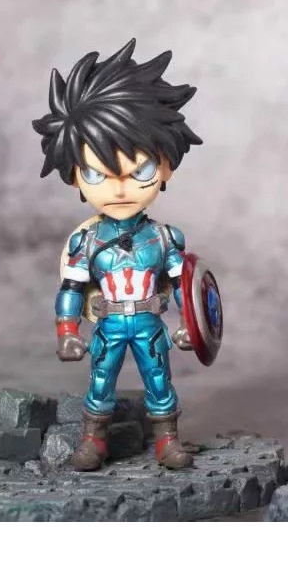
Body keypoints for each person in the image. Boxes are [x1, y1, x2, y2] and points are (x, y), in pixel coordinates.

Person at [32, 39, 203, 471]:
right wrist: (67, 331)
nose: (120, 188)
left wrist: (190, 324)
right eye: (97, 173)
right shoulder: (87, 242)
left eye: (139, 170)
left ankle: (167, 442)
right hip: (108, 323)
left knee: (159, 379)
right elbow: (71, 289)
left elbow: (184, 286)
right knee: (101, 381)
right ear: (75, 177)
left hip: (147, 322)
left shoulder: (163, 238)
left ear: (165, 167)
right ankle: (94, 441)